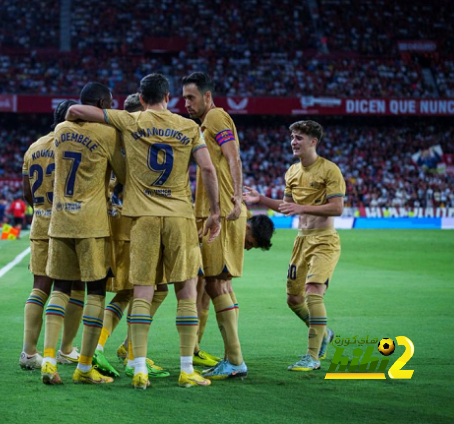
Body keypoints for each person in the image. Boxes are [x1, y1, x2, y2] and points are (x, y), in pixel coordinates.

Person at [66, 73, 221, 389]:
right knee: (186, 293)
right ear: (168, 97)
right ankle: (187, 369)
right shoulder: (189, 127)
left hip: (142, 219)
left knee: (141, 292)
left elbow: (81, 111)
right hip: (179, 216)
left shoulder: (130, 120)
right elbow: (207, 168)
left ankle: (139, 369)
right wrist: (215, 212)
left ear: (142, 95)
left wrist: (70, 116)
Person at [41, 83, 126, 385]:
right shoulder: (107, 133)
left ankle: (48, 361)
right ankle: (85, 368)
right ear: (103, 103)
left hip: (61, 219)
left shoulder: (61, 129)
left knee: (60, 288)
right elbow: (124, 173)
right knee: (97, 291)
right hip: (92, 222)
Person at [243, 120, 345, 372]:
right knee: (293, 298)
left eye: (299, 137)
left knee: (313, 291)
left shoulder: (330, 170)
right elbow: (287, 206)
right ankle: (323, 333)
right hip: (302, 240)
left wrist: (302, 208)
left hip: (324, 239)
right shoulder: (292, 172)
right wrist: (261, 199)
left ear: (313, 142)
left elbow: (337, 208)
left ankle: (312, 357)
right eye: (292, 137)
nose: (293, 141)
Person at [93, 94, 171, 380]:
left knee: (130, 291)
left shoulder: (114, 135)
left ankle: (122, 348)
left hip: (116, 218)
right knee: (153, 289)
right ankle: (124, 351)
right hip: (135, 222)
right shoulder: (141, 137)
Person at [182, 72, 248, 379]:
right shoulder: (206, 124)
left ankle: (235, 359)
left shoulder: (217, 117)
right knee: (220, 283)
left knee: (215, 283)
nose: (186, 103)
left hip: (219, 213)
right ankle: (232, 356)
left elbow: (233, 156)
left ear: (207, 97)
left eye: (191, 97)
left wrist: (234, 198)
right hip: (216, 210)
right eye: (184, 97)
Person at [19, 100, 88, 371]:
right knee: (74, 286)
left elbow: (27, 193)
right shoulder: (75, 145)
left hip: (40, 222)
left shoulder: (34, 147)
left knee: (40, 287)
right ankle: (66, 349)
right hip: (69, 223)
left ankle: (28, 352)